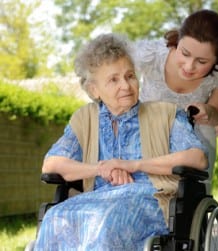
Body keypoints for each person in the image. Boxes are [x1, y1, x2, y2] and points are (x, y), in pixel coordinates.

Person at [33, 33, 208, 251]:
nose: (125, 86)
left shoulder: (167, 113)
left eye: (130, 76)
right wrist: (101, 169)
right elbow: (51, 164)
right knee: (55, 218)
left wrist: (132, 165)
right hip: (97, 200)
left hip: (152, 199)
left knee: (107, 221)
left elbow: (197, 158)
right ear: (94, 90)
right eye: (114, 79)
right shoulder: (84, 119)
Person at [133, 9, 218, 192]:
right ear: (177, 41)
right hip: (146, 130)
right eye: (185, 53)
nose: (189, 66)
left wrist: (208, 111)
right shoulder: (149, 55)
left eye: (202, 61)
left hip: (193, 136)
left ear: (217, 60)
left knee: (204, 138)